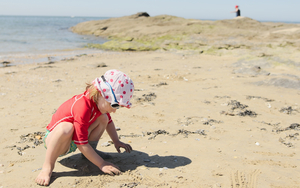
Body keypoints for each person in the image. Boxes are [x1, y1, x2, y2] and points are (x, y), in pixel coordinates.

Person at [35, 69, 134, 186]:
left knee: (104, 118)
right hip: (57, 142)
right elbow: (81, 143)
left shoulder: (98, 105)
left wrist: (116, 141)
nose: (114, 110)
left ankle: (90, 153)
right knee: (66, 128)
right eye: (114, 104)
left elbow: (109, 123)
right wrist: (101, 164)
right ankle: (47, 166)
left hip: (75, 140)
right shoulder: (82, 106)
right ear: (101, 94)